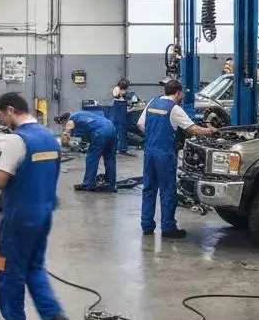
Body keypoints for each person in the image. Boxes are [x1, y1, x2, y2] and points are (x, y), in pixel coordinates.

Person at [0, 92, 71, 320]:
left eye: (1, 115)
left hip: (18, 217)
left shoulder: (16, 142)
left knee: (9, 271)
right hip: (44, 214)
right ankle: (54, 316)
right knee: (33, 267)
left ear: (11, 110)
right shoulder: (50, 139)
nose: (1, 120)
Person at [136, 80, 218, 239]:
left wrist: (154, 135)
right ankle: (168, 228)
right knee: (167, 190)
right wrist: (211, 130)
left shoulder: (152, 102)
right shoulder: (174, 109)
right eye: (182, 94)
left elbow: (140, 124)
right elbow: (193, 129)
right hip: (164, 153)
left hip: (149, 152)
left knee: (149, 189)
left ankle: (146, 226)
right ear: (178, 93)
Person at [61, 110, 117, 192]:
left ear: (65, 120)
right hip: (111, 128)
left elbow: (68, 129)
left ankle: (88, 184)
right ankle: (110, 185)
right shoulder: (81, 114)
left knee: (92, 158)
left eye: (63, 124)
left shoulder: (71, 119)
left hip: (101, 132)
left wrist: (65, 133)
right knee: (110, 158)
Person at [110, 79, 138, 155]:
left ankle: (123, 148)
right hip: (118, 106)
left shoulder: (125, 91)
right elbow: (116, 96)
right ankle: (117, 147)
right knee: (118, 128)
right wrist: (121, 94)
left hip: (123, 106)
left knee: (123, 129)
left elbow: (129, 98)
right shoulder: (117, 88)